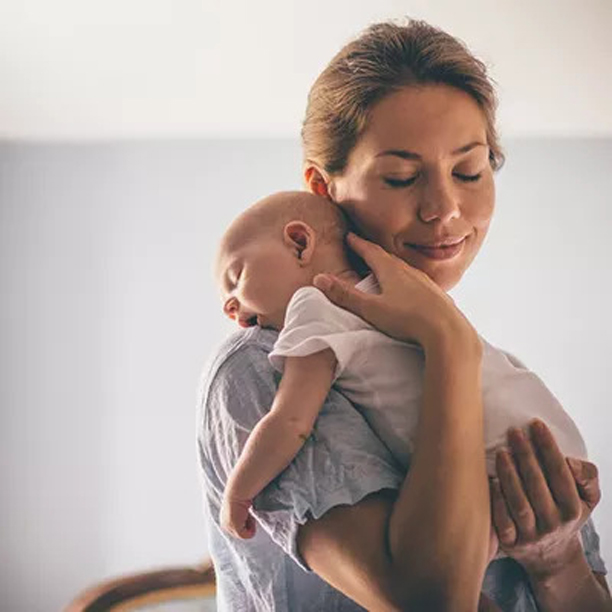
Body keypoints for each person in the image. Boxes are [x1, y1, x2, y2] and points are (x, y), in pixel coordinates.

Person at [197, 19, 610, 611]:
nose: (444, 210)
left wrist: (558, 562)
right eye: (401, 177)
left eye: (469, 171)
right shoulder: (264, 363)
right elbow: (431, 601)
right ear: (322, 188)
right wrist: (449, 344)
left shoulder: (498, 381)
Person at [214, 190, 587, 567]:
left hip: (495, 458)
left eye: (236, 277)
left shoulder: (315, 305)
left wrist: (238, 493)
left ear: (299, 244)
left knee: (449, 571)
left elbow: (290, 421)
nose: (229, 305)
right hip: (551, 442)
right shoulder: (409, 296)